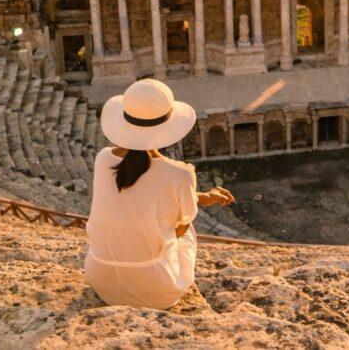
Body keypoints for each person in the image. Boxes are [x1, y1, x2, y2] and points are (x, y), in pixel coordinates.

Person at [83, 78, 235, 309]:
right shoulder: (181, 173)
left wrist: (203, 196)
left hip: (102, 280)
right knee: (187, 227)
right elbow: (179, 228)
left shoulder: (103, 158)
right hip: (155, 289)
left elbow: (139, 195)